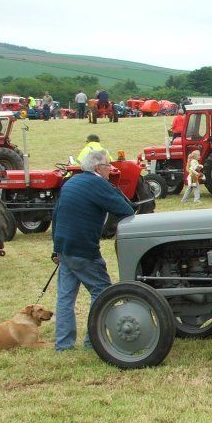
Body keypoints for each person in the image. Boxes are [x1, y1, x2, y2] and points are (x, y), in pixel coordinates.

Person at [51, 149, 134, 351]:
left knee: (65, 297)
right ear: (98, 168)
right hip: (83, 249)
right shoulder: (98, 184)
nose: (111, 169)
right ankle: (93, 341)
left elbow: (56, 214)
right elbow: (127, 209)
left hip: (64, 247)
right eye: (108, 165)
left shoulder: (71, 182)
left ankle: (63, 345)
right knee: (103, 292)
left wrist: (56, 249)